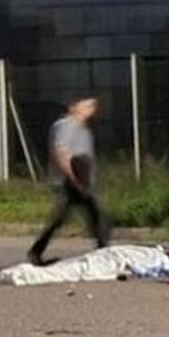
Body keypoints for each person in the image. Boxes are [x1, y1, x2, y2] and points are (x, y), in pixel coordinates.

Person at [28, 96, 110, 266]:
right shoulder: (66, 126)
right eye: (88, 105)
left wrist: (88, 181)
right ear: (76, 107)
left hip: (81, 182)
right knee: (59, 219)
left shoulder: (85, 130)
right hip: (67, 181)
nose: (93, 108)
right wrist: (73, 179)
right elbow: (62, 154)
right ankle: (35, 252)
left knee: (96, 217)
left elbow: (86, 158)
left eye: (94, 105)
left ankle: (103, 253)